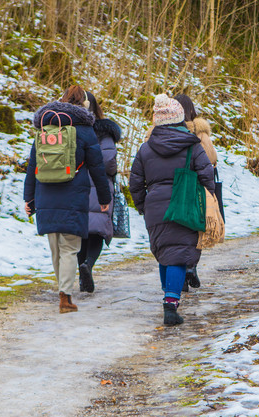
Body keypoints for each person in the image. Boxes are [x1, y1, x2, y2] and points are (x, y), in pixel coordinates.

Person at [24, 85, 110, 313]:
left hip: (45, 196)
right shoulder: (85, 129)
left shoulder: (45, 127)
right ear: (84, 105)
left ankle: (63, 290)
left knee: (55, 249)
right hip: (74, 196)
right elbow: (97, 167)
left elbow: (33, 165)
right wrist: (104, 197)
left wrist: (29, 199)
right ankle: (65, 296)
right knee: (70, 249)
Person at [130, 94, 215, 326]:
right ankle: (171, 303)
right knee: (178, 255)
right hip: (185, 204)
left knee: (165, 254)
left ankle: (168, 295)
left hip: (155, 207)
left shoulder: (146, 149)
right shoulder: (192, 146)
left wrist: (142, 206)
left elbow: (135, 182)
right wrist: (207, 200)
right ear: (179, 119)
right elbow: (207, 176)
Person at [77, 91, 122, 293]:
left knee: (80, 231)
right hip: (100, 185)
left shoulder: (71, 129)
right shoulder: (104, 132)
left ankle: (81, 271)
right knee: (98, 229)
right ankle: (89, 264)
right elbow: (108, 161)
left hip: (76, 184)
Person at [174, 94, 218, 291]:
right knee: (195, 231)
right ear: (192, 110)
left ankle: (180, 274)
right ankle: (191, 266)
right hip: (197, 188)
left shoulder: (165, 131)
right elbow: (211, 159)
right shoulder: (201, 133)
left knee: (176, 232)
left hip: (174, 187)